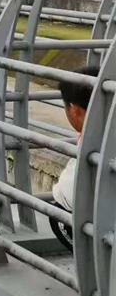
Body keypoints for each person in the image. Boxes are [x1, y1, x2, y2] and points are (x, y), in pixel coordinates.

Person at [49, 65, 100, 250]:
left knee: (58, 215)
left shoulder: (91, 140)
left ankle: (94, 271)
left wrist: (58, 191)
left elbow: (70, 194)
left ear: (74, 109)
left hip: (99, 219)